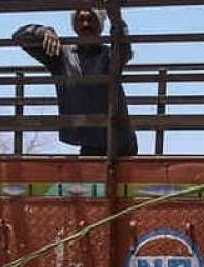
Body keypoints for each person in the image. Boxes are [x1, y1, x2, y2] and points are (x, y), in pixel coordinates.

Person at [13, 4, 137, 158]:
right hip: (90, 145)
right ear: (75, 26)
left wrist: (116, 20)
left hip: (121, 143)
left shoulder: (109, 55)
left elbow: (124, 49)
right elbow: (18, 36)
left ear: (100, 25)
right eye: (81, 19)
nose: (86, 24)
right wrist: (43, 31)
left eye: (91, 20)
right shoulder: (61, 55)